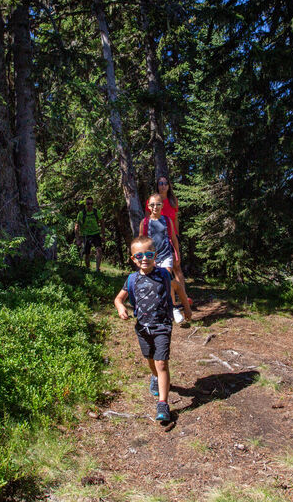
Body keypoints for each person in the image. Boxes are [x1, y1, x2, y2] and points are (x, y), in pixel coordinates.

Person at [113, 236, 191, 424]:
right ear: (133, 259)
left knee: (161, 363)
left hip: (162, 325)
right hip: (142, 328)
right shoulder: (132, 279)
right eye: (139, 256)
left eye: (149, 254)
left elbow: (178, 288)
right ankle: (155, 377)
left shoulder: (164, 274)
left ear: (155, 255)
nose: (144, 259)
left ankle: (163, 403)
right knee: (151, 360)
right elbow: (118, 298)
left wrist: (186, 308)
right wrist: (120, 307)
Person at [140, 193, 192, 324]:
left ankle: (173, 308)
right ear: (148, 206)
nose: (155, 207)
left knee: (167, 279)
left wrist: (177, 254)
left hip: (166, 255)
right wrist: (142, 258)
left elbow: (173, 238)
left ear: (162, 205)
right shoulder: (145, 222)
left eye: (158, 204)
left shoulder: (167, 221)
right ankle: (157, 309)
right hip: (151, 258)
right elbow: (141, 241)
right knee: (154, 282)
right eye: (152, 205)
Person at [148, 176, 193, 307]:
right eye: (160, 183)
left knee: (177, 266)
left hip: (172, 238)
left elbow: (176, 219)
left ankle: (184, 297)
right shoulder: (153, 201)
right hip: (158, 240)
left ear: (169, 186)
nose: (163, 186)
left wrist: (176, 236)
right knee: (163, 270)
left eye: (165, 183)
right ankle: (169, 301)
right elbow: (148, 220)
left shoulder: (173, 200)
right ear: (157, 186)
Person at [74, 196, 102, 271]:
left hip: (96, 233)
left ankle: (97, 269)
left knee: (99, 249)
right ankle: (88, 269)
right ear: (85, 204)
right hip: (86, 235)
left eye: (91, 204)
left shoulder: (96, 212)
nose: (90, 205)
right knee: (87, 254)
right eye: (88, 203)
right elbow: (77, 226)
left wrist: (103, 235)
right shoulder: (81, 214)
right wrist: (77, 239)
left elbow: (102, 223)